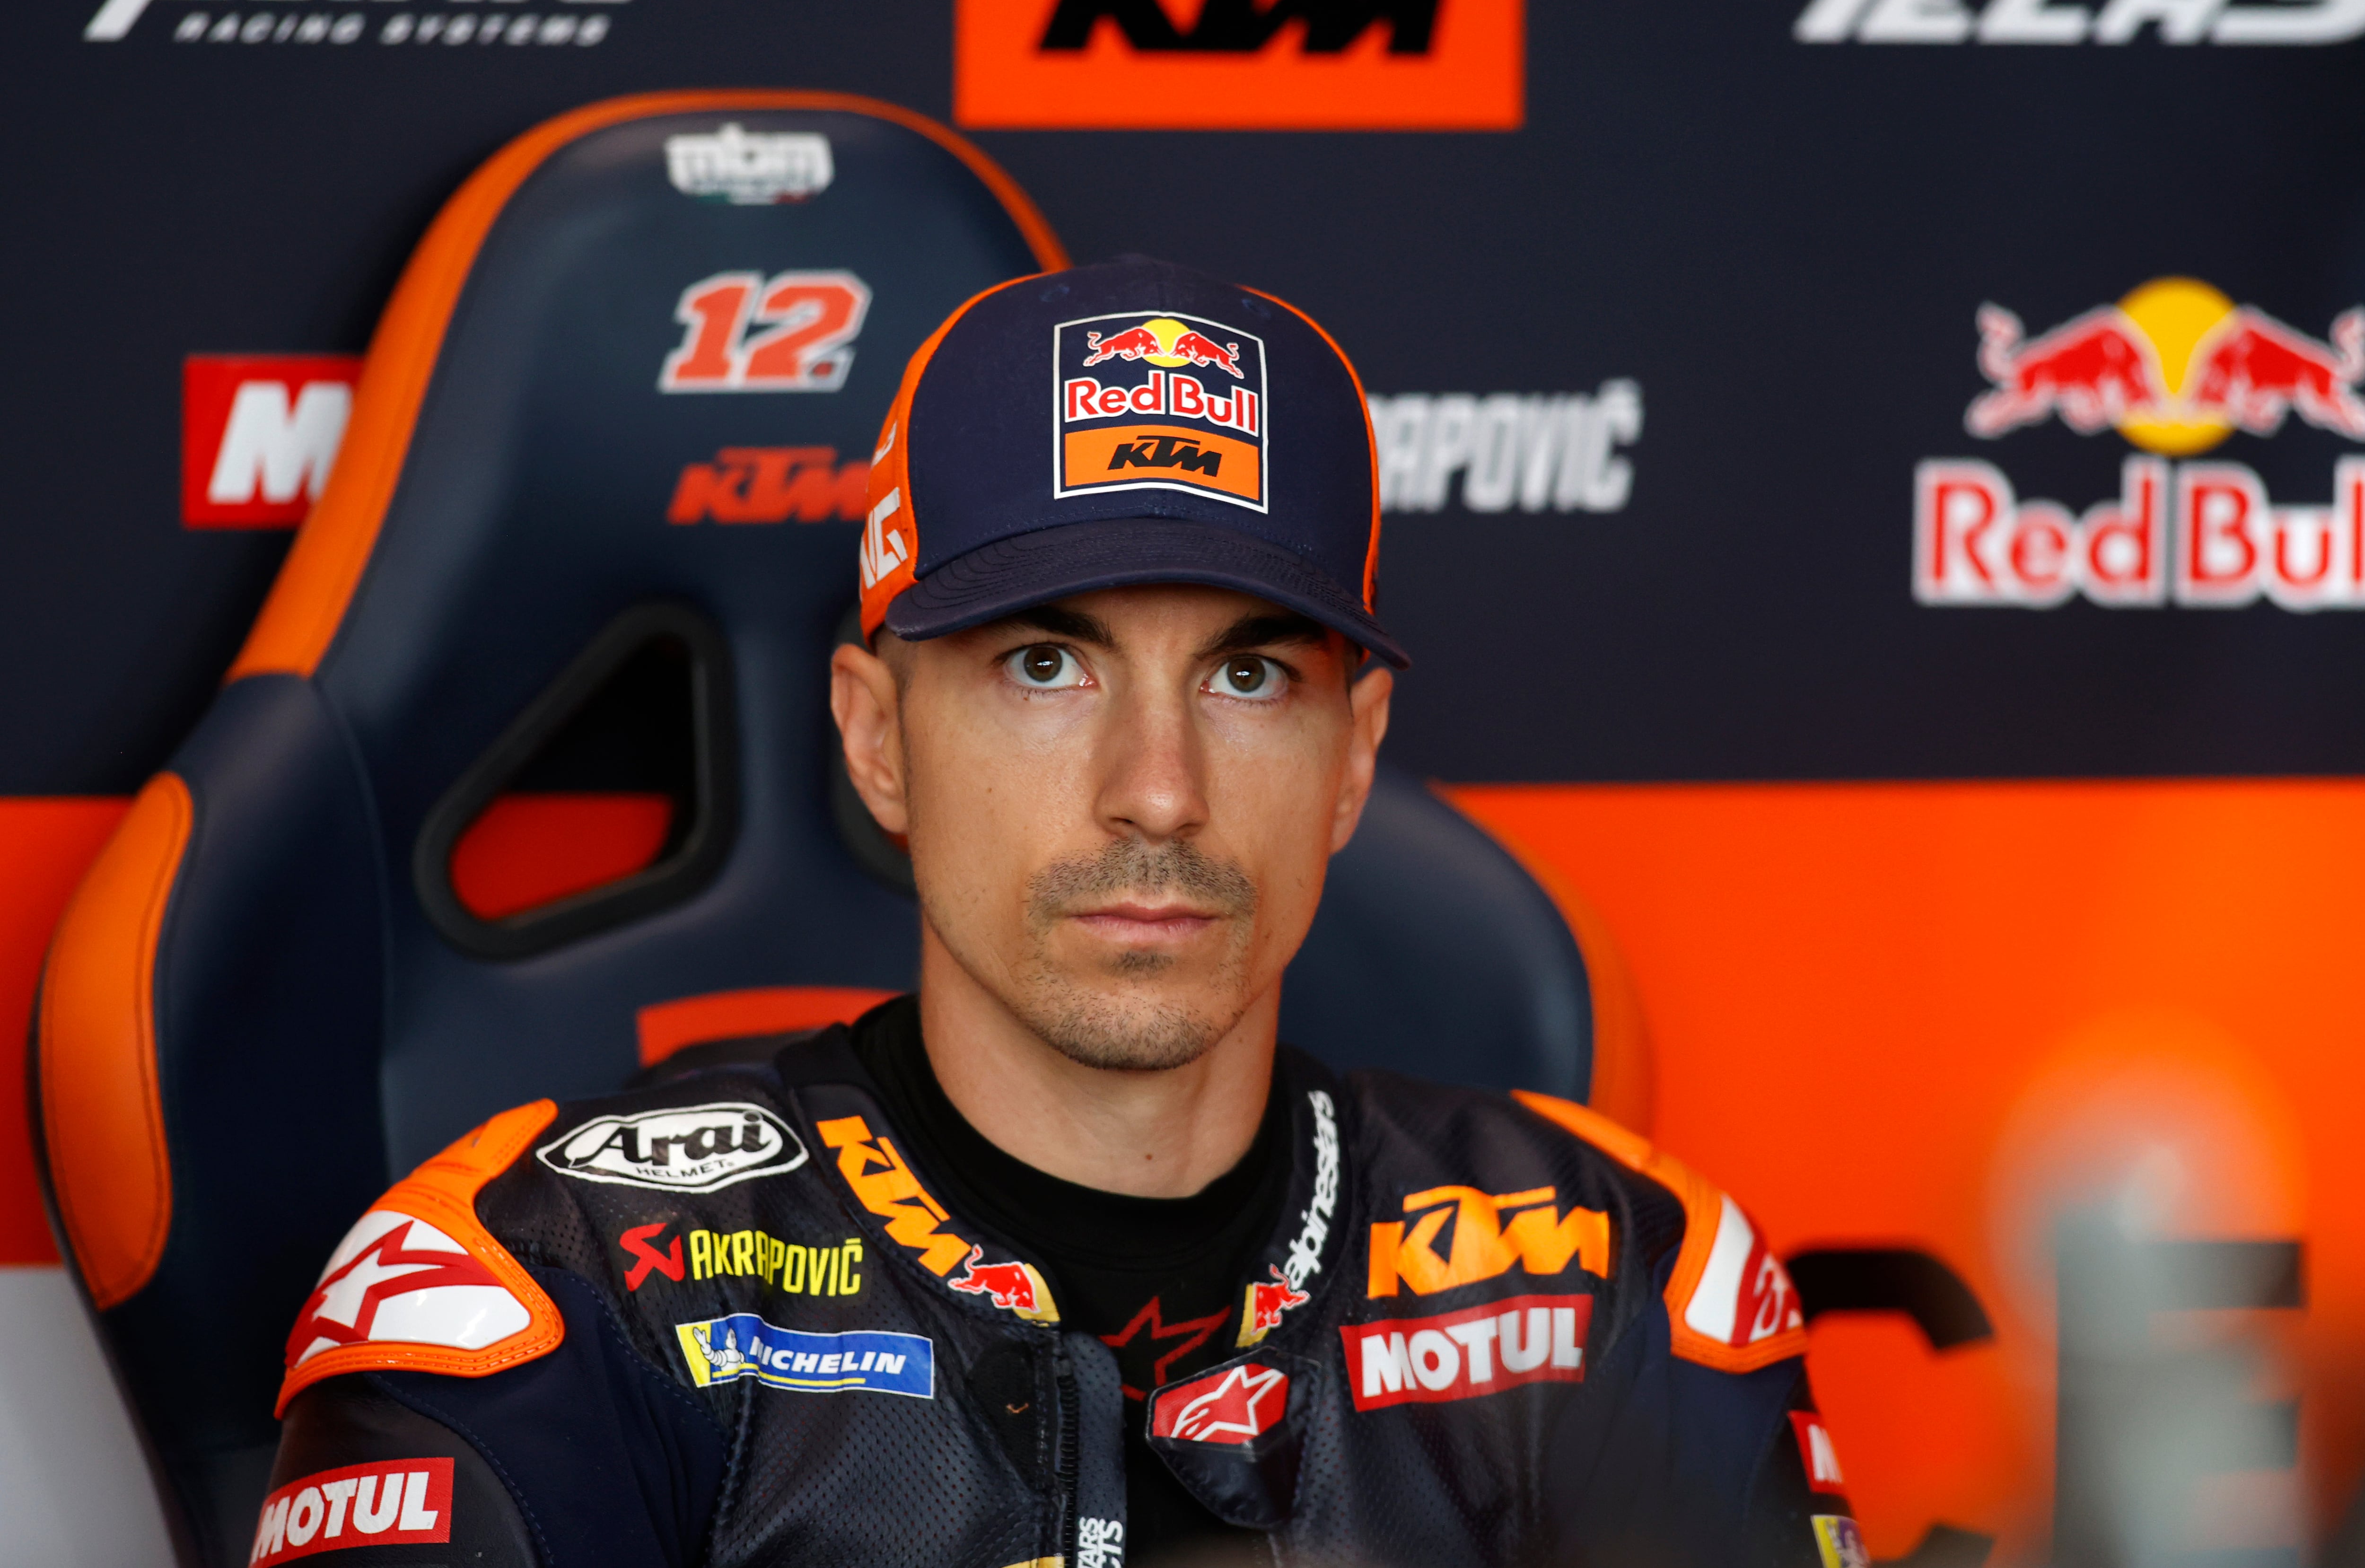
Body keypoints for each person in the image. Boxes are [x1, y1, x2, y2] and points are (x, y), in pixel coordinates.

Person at [256, 257, 1865, 1568]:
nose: (1156, 789)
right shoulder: (550, 1290)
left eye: (1247, 676)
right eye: (1046, 664)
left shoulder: (1613, 1281)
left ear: (1353, 760)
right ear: (879, 738)